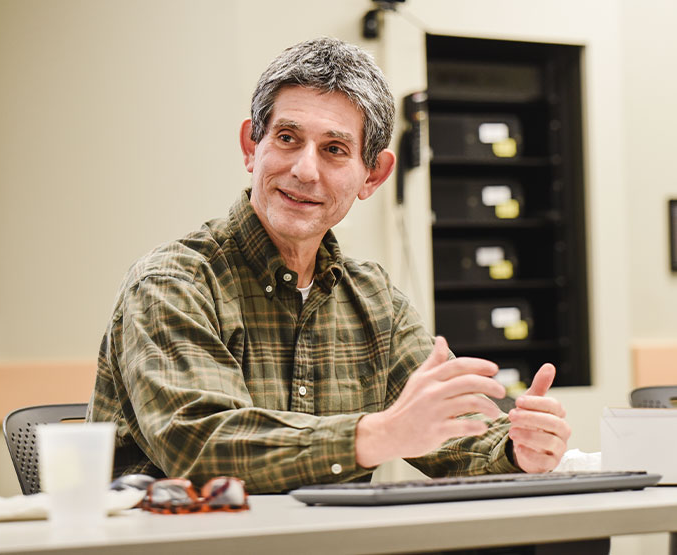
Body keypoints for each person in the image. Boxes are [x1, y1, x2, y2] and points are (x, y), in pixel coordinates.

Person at [88, 37, 571, 494]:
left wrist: (518, 448)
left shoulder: (375, 299)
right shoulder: (173, 282)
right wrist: (377, 435)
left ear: (374, 174)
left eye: (334, 149)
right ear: (251, 147)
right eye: (287, 138)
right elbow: (204, 446)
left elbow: (445, 436)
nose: (304, 170)